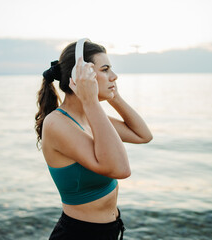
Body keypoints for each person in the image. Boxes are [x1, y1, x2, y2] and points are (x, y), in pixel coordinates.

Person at [35, 40, 152, 240]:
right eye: (105, 70)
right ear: (79, 76)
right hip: (78, 234)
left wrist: (113, 96)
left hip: (109, 231)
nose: (114, 76)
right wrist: (90, 100)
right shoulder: (56, 123)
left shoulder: (92, 118)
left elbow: (143, 135)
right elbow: (121, 169)